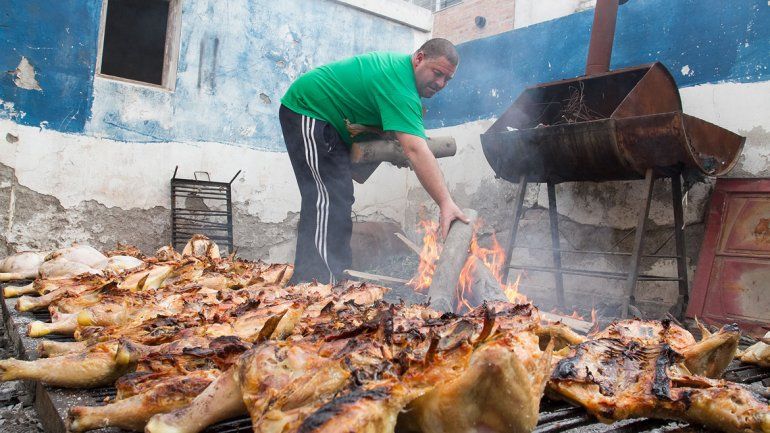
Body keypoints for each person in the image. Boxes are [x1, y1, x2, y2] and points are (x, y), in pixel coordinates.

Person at [280, 38, 468, 285]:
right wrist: (446, 203)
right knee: (327, 197)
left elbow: (405, 142)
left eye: (447, 79)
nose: (441, 83)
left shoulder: (404, 85)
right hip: (309, 109)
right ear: (419, 58)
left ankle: (334, 277)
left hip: (332, 123)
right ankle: (315, 283)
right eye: (437, 73)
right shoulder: (399, 85)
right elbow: (416, 149)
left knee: (339, 196)